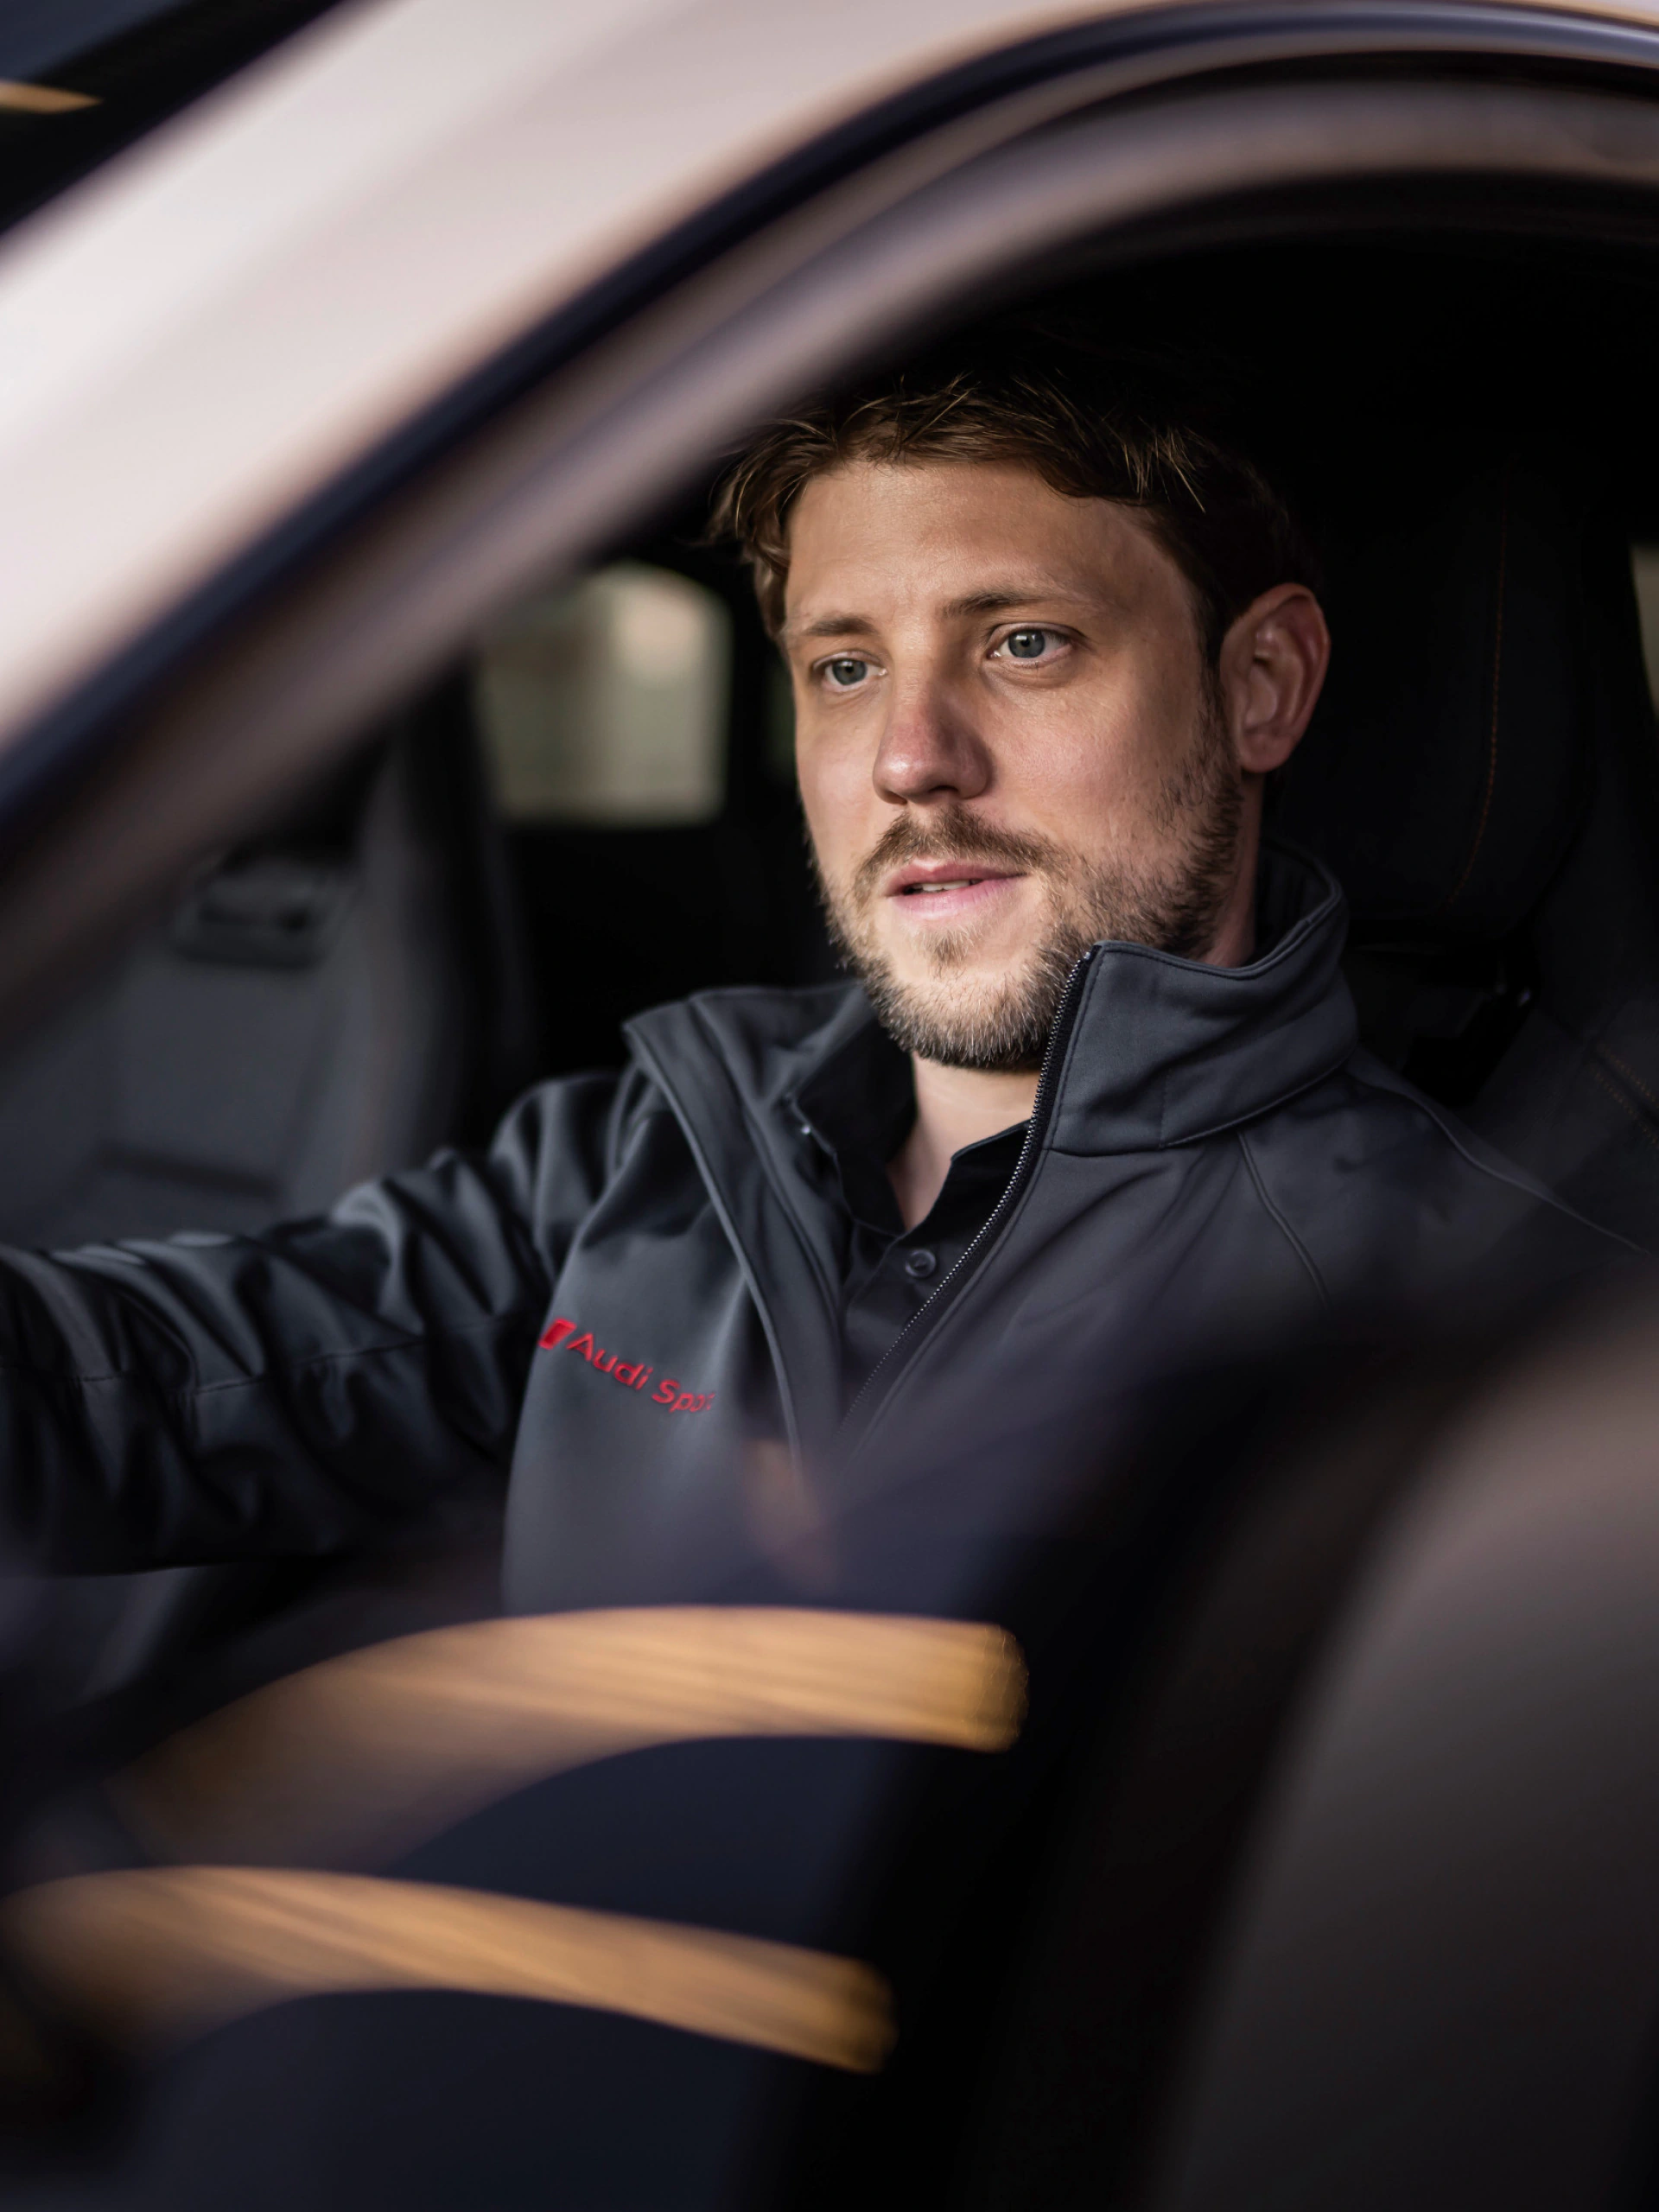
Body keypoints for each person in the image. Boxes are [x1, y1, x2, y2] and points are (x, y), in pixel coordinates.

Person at [0, 334, 1623, 1611]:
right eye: (845, 667)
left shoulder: (1473, 1344)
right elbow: (156, 1385)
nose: (911, 757)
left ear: (1260, 685)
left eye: (1023, 643)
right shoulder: (656, 1152)